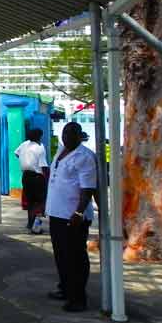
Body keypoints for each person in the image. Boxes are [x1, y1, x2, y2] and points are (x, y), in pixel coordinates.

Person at [45, 122, 97, 312]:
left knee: (75, 257)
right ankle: (65, 289)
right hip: (56, 213)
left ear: (79, 135)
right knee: (61, 255)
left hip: (73, 216)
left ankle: (78, 298)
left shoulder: (85, 157)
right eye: (64, 132)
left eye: (71, 133)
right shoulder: (61, 152)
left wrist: (79, 212)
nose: (66, 136)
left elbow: (88, 188)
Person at [15, 128, 49, 233]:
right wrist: (47, 179)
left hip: (26, 176)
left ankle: (30, 223)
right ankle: (35, 227)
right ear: (39, 137)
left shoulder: (24, 144)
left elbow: (16, 153)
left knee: (30, 202)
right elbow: (43, 166)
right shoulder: (40, 147)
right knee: (39, 202)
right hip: (37, 177)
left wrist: (25, 160)